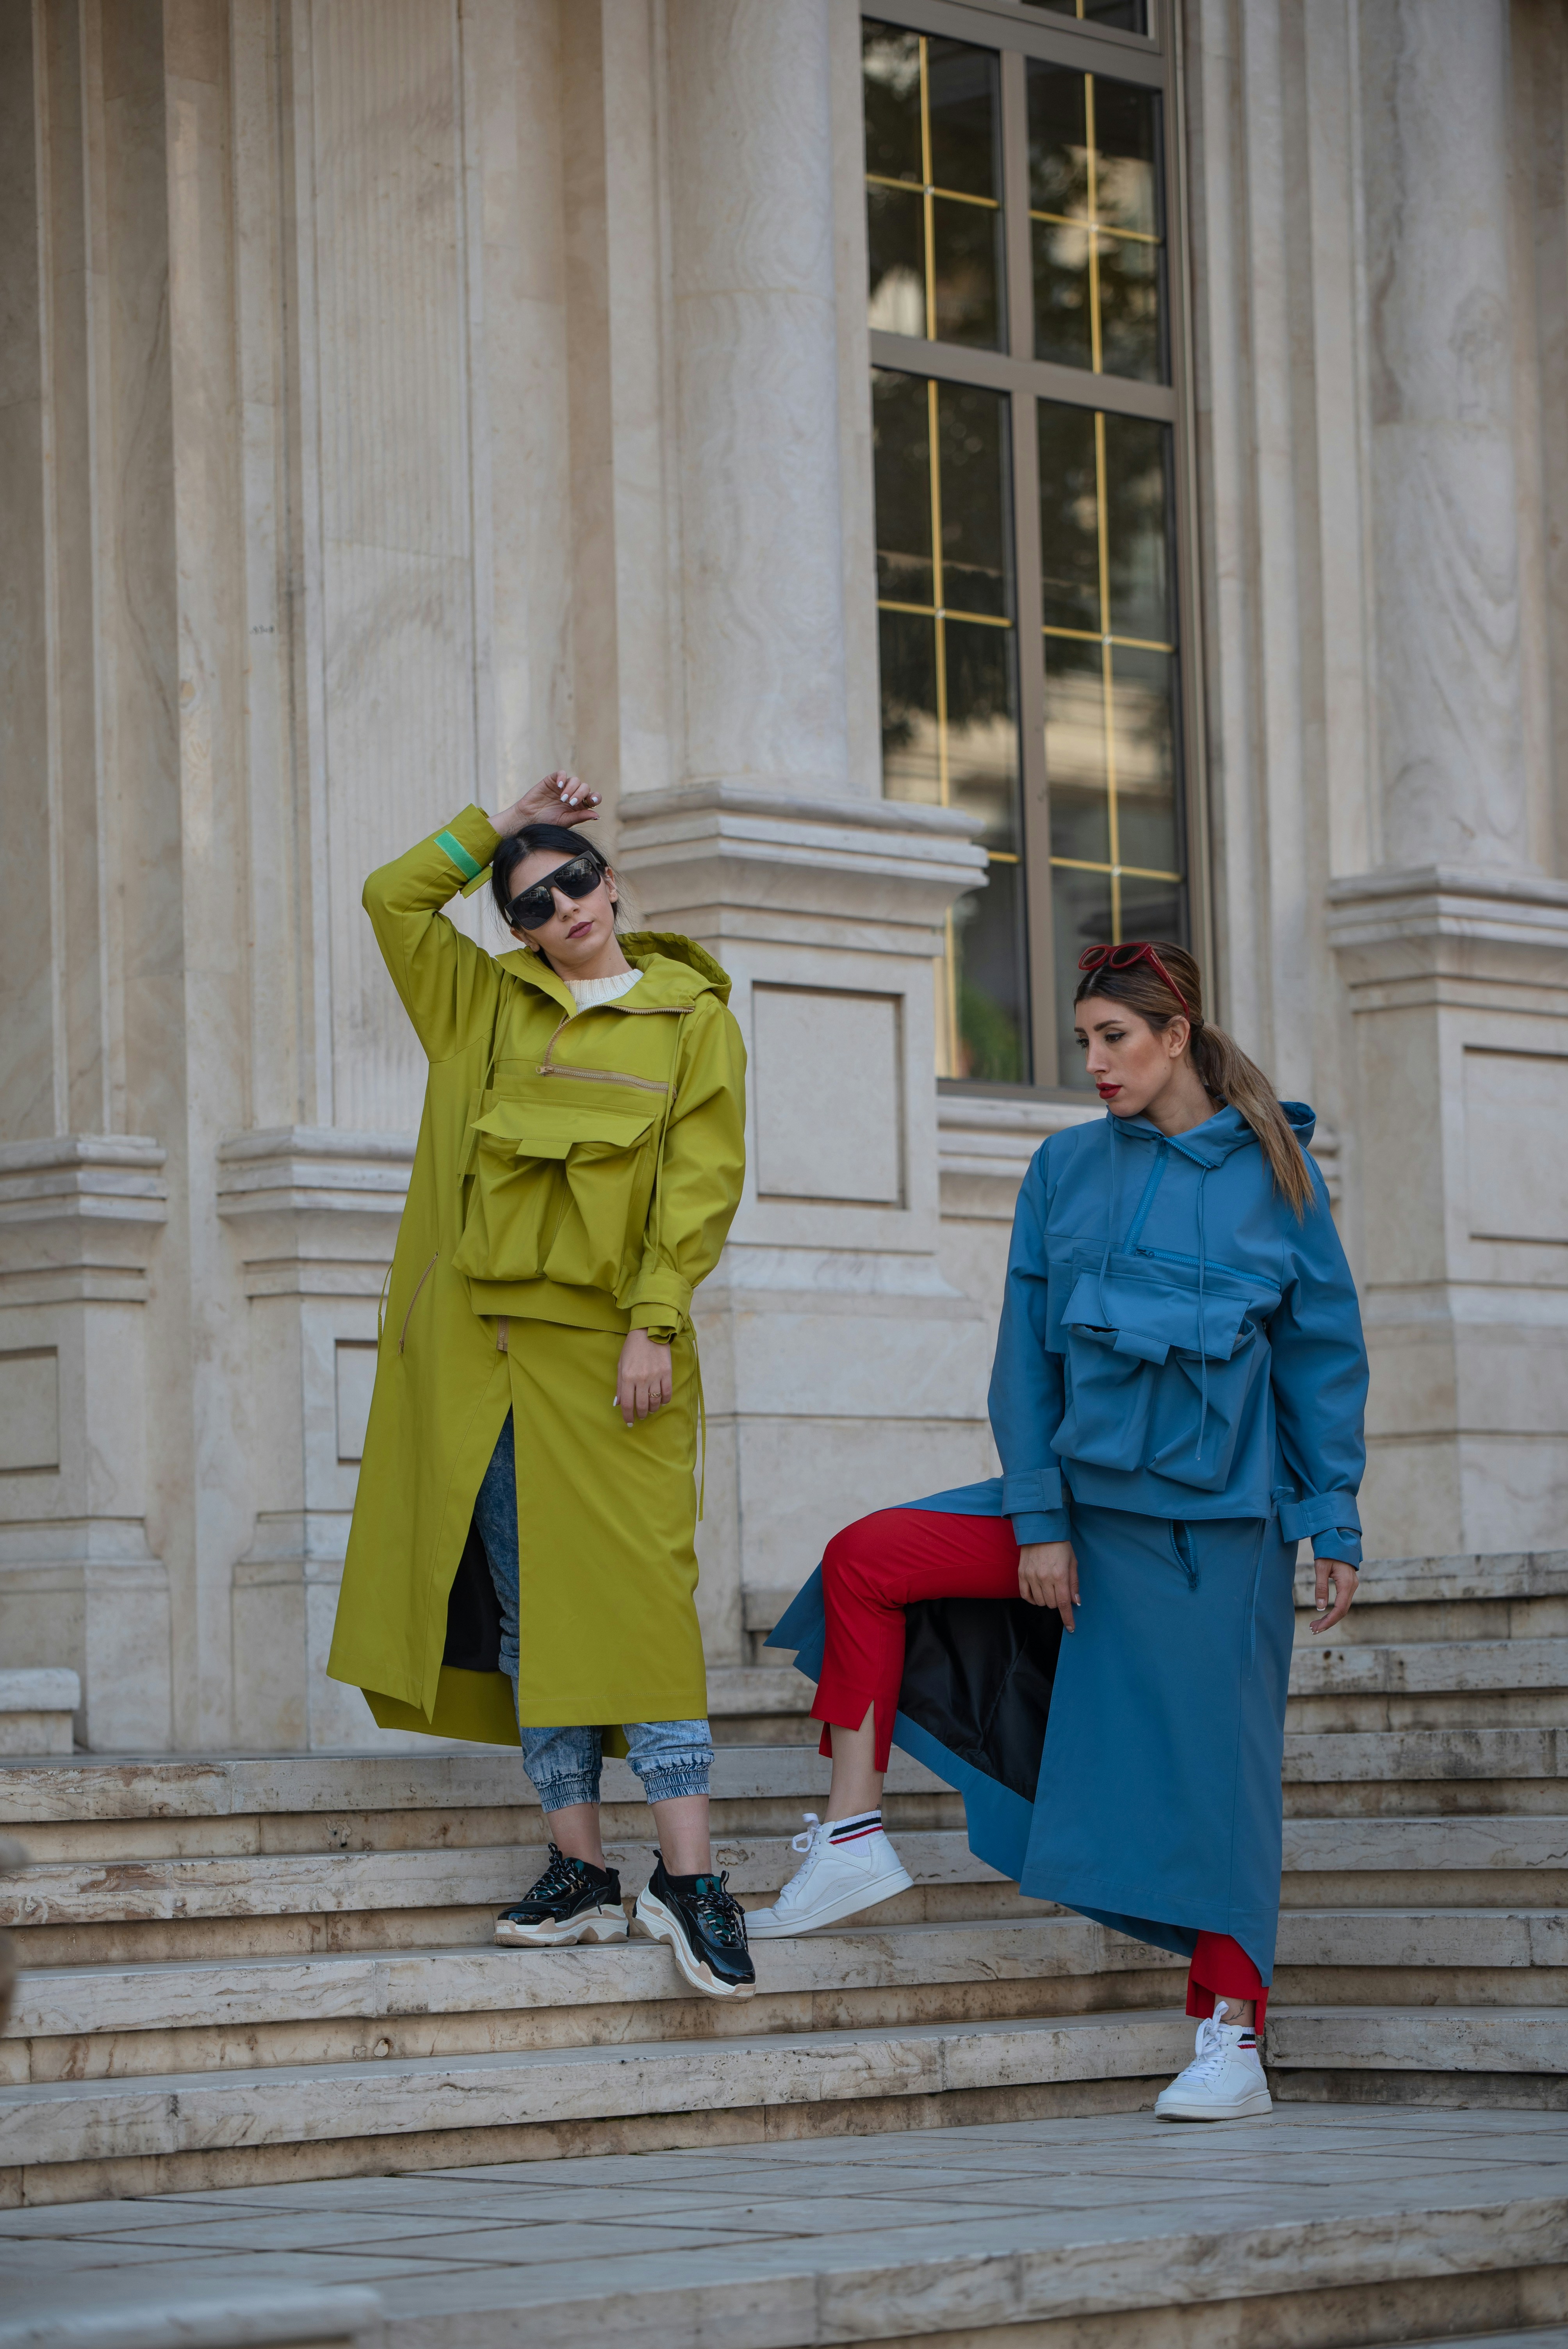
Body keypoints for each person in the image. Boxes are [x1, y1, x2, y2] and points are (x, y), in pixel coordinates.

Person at [759, 941, 1368, 2119]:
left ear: (1176, 1036)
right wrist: (1039, 1520)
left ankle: (1231, 2038)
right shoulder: (1064, 1169)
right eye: (1085, 1040)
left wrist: (1330, 1516)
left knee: (1220, 1778)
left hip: (1216, 1534)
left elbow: (1321, 1356)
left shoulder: (1279, 1176)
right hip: (1077, 1516)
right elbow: (1025, 1365)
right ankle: (852, 1835)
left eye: (1114, 1039)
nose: (1095, 1061)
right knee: (868, 1559)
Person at [327, 772, 754, 2000]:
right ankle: (581, 1868)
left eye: (573, 880)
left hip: (618, 1360)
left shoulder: (691, 1021)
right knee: (529, 1615)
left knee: (644, 1605)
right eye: (529, 900)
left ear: (612, 883)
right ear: (513, 927)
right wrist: (498, 823)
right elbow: (392, 897)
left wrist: (655, 1323)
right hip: (487, 1358)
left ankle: (691, 1879)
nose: (560, 906)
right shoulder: (482, 1005)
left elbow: (699, 1189)